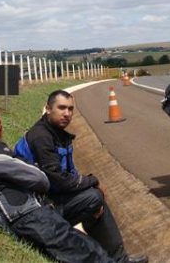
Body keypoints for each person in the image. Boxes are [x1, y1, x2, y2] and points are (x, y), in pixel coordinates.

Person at [0, 112, 114, 263]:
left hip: (36, 211)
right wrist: (38, 173)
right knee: (85, 250)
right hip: (27, 215)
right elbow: (38, 178)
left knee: (90, 214)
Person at [21, 90, 148, 263]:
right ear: (48, 109)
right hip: (38, 210)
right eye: (61, 108)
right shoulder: (41, 136)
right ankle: (116, 259)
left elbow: (68, 174)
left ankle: (116, 259)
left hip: (49, 200)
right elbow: (59, 180)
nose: (67, 113)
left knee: (95, 199)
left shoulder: (56, 133)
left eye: (70, 109)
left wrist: (89, 184)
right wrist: (93, 181)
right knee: (93, 198)